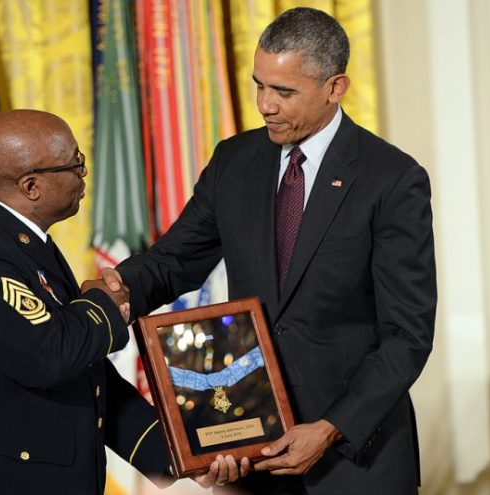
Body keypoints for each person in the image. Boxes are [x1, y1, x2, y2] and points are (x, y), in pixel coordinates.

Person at [102, 7, 436, 494]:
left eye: (283, 92)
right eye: (259, 84)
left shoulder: (391, 178)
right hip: (254, 449)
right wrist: (115, 290)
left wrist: (330, 428)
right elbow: (174, 261)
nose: (265, 105)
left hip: (356, 460)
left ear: (335, 87)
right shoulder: (234, 161)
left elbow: (407, 335)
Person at [0, 109, 247, 494]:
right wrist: (103, 301)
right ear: (31, 186)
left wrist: (183, 456)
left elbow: (88, 380)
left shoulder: (27, 246)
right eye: (74, 164)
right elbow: (49, 355)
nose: (83, 175)